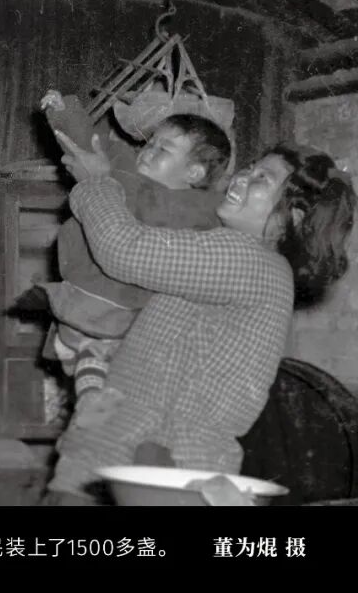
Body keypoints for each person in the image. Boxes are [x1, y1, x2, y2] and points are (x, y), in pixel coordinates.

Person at [45, 130, 355, 504]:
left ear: (293, 216)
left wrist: (96, 182)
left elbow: (123, 250)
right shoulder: (247, 262)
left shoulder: (249, 260)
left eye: (263, 179)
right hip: (131, 457)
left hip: (162, 466)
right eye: (250, 168)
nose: (242, 176)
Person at [33, 93, 231, 408]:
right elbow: (88, 146)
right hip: (88, 297)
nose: (148, 151)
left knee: (101, 361)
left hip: (129, 320)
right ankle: (89, 380)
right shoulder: (123, 170)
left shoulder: (202, 213)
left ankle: (92, 396)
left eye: (163, 149)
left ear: (194, 173)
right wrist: (64, 112)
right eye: (150, 143)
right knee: (93, 350)